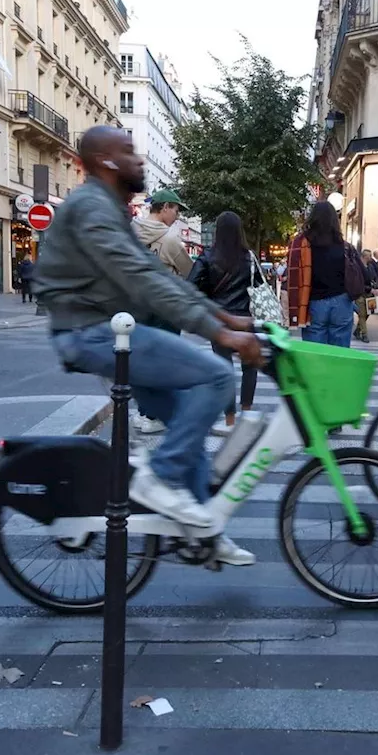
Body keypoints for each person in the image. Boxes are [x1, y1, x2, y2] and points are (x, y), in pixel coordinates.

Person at [31, 125, 261, 566]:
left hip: (105, 329)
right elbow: (142, 280)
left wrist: (225, 317)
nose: (140, 161)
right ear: (107, 162)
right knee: (215, 377)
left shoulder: (109, 208)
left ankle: (203, 528)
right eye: (130, 153)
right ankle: (158, 478)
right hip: (93, 333)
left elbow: (152, 274)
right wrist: (222, 334)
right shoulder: (92, 207)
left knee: (185, 421)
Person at [188, 211, 259, 435]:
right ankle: (246, 413)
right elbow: (257, 285)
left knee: (224, 367)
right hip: (244, 318)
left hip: (218, 318)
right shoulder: (249, 257)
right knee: (249, 367)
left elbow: (191, 285)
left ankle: (229, 420)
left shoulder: (207, 257)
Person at [129, 188, 192, 433]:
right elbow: (189, 272)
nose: (177, 214)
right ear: (164, 207)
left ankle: (144, 413)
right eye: (176, 209)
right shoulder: (169, 239)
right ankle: (153, 416)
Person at [287, 201, 353, 347]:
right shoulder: (344, 245)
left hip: (314, 304)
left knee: (315, 352)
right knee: (340, 353)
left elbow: (294, 277)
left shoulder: (302, 244)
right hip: (342, 301)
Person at [132, 188, 193, 278]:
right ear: (166, 207)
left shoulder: (130, 229)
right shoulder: (170, 239)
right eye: (176, 212)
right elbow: (192, 273)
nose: (177, 217)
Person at [352, 248, 378, 344]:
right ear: (365, 256)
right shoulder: (357, 267)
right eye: (369, 255)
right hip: (360, 294)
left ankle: (357, 330)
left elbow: (375, 277)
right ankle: (364, 334)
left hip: (370, 294)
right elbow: (357, 282)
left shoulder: (370, 266)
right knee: (362, 314)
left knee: (368, 313)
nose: (371, 257)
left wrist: (376, 287)